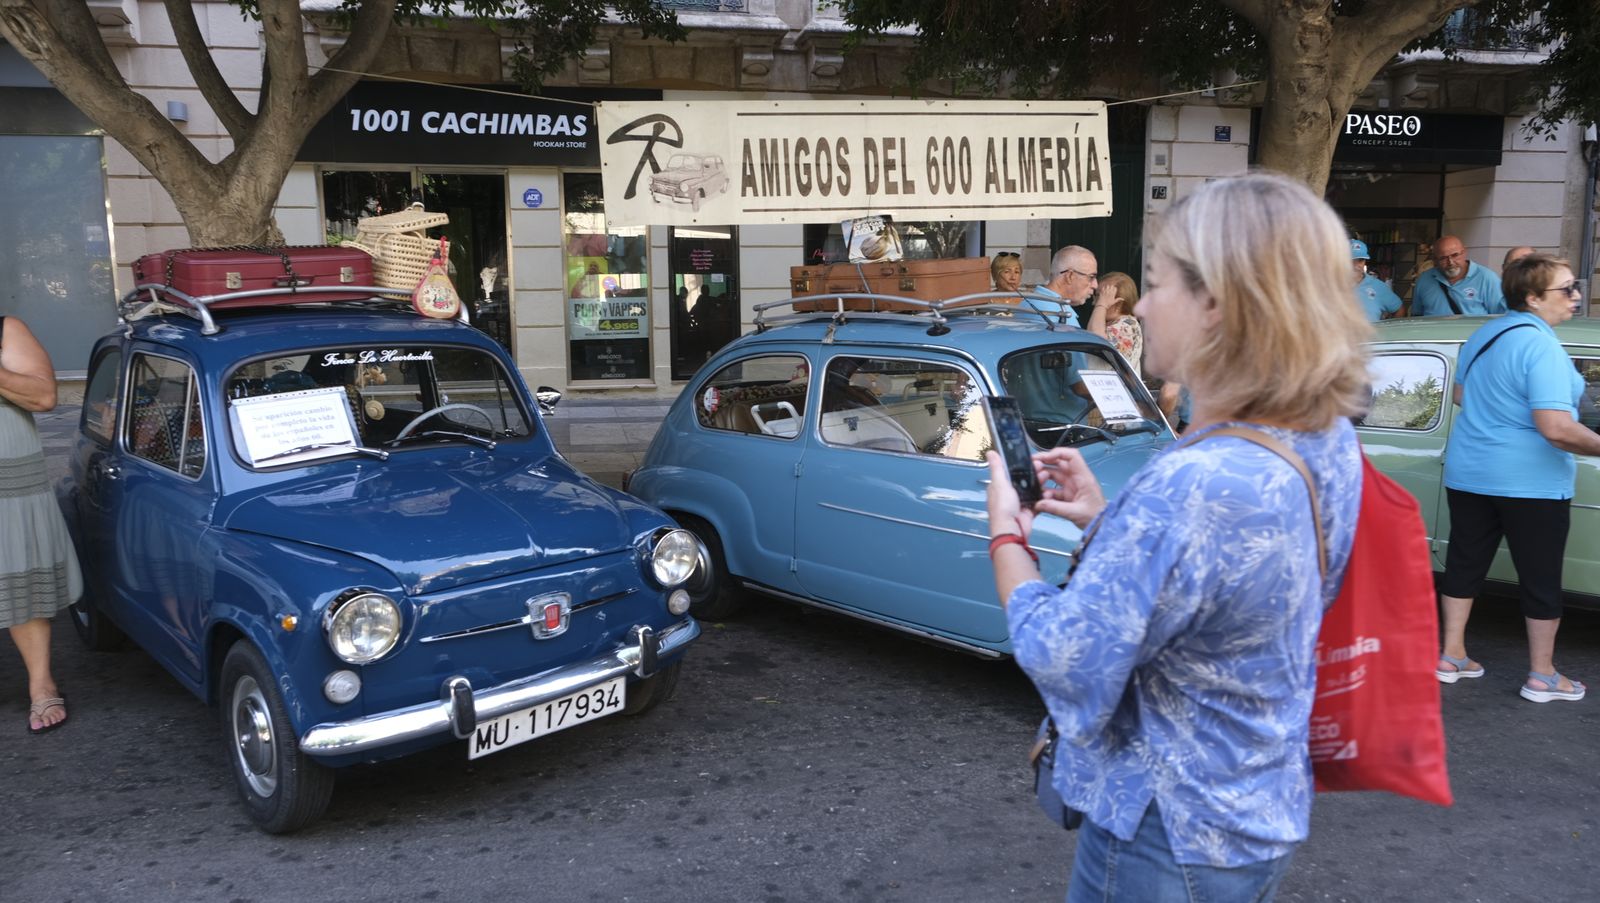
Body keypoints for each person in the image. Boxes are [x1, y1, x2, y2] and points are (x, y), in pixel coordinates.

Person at [984, 172, 1370, 901]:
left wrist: (1008, 536)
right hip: (1258, 802)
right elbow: (1220, 578)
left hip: (1166, 831)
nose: (1140, 305)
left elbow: (1068, 659)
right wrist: (1109, 518)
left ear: (1216, 302)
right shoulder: (1323, 437)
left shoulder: (1192, 482)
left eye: (1157, 284)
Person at [1436, 253, 1597, 702]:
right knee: (1540, 575)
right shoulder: (1542, 346)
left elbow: (1462, 394)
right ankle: (1542, 675)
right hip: (1531, 481)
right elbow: (1557, 429)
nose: (1576, 296)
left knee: (1465, 563)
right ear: (1532, 298)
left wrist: (1499, 415)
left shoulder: (1484, 334)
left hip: (1471, 471)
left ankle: (1452, 656)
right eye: (1567, 289)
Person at [1, 316, 82, 734]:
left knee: (18, 572)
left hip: (8, 480)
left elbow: (44, 396)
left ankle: (41, 684)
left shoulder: (6, 330)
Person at [1411, 235, 1506, 317]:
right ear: (1435, 260)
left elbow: (1500, 317)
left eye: (1455, 255)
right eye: (1443, 258)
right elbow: (1417, 316)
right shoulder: (1424, 279)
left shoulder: (1486, 278)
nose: (1450, 262)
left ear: (1464, 252)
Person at [1086, 271, 1143, 376]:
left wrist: (1102, 305)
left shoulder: (1127, 326)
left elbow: (1095, 339)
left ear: (1118, 303)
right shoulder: (1115, 324)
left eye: (1100, 296)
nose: (1094, 303)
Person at [1027, 245, 1098, 324]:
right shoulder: (1057, 314)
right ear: (1070, 276)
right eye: (1091, 277)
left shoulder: (1029, 302)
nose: (1095, 285)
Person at [1350, 239, 1402, 321]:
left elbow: (1399, 309)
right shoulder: (1331, 286)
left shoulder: (1378, 287)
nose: (1356, 265)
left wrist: (1392, 328)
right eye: (1351, 260)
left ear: (1365, 261)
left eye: (1360, 260)